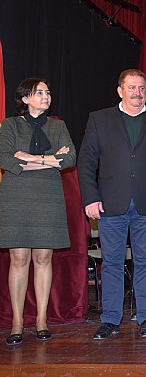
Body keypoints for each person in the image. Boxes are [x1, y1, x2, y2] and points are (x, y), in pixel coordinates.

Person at [78, 69, 146, 340]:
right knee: (110, 262)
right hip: (109, 204)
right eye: (132, 88)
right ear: (120, 90)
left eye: (142, 88)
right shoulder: (99, 119)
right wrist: (90, 197)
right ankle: (110, 319)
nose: (138, 93)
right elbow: (86, 162)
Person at [0, 78, 76, 346]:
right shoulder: (9, 125)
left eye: (48, 92)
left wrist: (30, 158)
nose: (46, 96)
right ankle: (18, 322)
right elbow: (6, 158)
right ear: (25, 98)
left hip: (48, 195)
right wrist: (50, 160)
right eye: (39, 92)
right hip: (16, 197)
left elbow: (69, 159)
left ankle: (41, 319)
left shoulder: (58, 126)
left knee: (43, 257)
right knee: (19, 258)